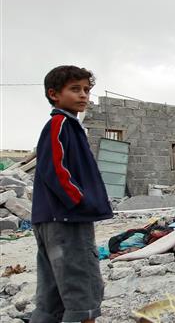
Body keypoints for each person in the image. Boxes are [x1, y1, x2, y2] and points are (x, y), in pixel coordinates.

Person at [31, 65, 113, 323]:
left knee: (54, 290)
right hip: (68, 219)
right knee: (82, 287)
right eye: (75, 89)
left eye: (87, 90)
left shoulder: (69, 125)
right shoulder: (60, 124)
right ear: (54, 94)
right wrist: (80, 201)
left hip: (54, 218)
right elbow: (55, 169)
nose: (83, 95)